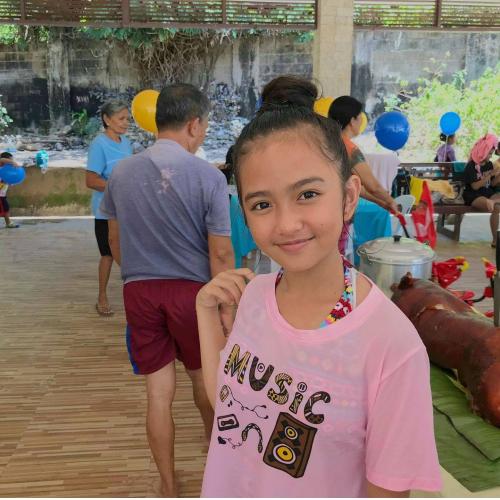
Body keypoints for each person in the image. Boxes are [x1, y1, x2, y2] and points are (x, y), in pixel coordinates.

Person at [196, 105, 442, 497]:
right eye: (262, 204)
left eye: (307, 194)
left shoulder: (392, 346)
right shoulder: (255, 296)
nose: (287, 224)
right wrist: (205, 314)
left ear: (348, 197)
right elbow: (231, 407)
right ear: (244, 214)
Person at [100, 83, 235, 497]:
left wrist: (139, 274)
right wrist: (228, 311)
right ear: (194, 124)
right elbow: (221, 253)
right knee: (204, 379)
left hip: (139, 291)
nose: (204, 134)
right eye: (205, 126)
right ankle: (217, 459)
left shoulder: (121, 173)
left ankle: (168, 484)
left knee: (158, 394)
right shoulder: (208, 176)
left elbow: (114, 241)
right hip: (194, 296)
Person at [86, 100, 132, 316]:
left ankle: (135, 294)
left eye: (127, 119)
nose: (126, 123)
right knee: (108, 254)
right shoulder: (99, 144)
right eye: (121, 118)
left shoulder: (126, 143)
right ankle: (102, 297)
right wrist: (118, 185)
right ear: (107, 119)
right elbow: (91, 180)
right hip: (105, 211)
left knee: (130, 253)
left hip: (126, 209)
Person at [328, 96, 399, 214]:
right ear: (352, 121)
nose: (361, 121)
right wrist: (391, 201)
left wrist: (381, 202)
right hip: (336, 210)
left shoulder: (327, 142)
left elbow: (352, 186)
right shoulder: (349, 149)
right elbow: (373, 186)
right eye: (360, 117)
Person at [463, 133, 500, 247]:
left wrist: (498, 175)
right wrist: (489, 175)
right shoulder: (471, 166)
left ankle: (493, 201)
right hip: (474, 195)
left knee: (494, 203)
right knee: (496, 208)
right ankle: (495, 240)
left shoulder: (489, 164)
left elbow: (492, 184)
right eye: (489, 153)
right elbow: (475, 186)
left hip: (487, 193)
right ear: (482, 151)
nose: (491, 156)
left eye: (491, 153)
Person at [0, 152, 20, 228]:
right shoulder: (1, 168)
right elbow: (1, 159)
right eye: (10, 160)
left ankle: (8, 223)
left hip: (2, 195)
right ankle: (8, 223)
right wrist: (13, 162)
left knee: (6, 209)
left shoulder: (6, 171)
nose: (11, 162)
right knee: (5, 209)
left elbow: (7, 180)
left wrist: (10, 181)